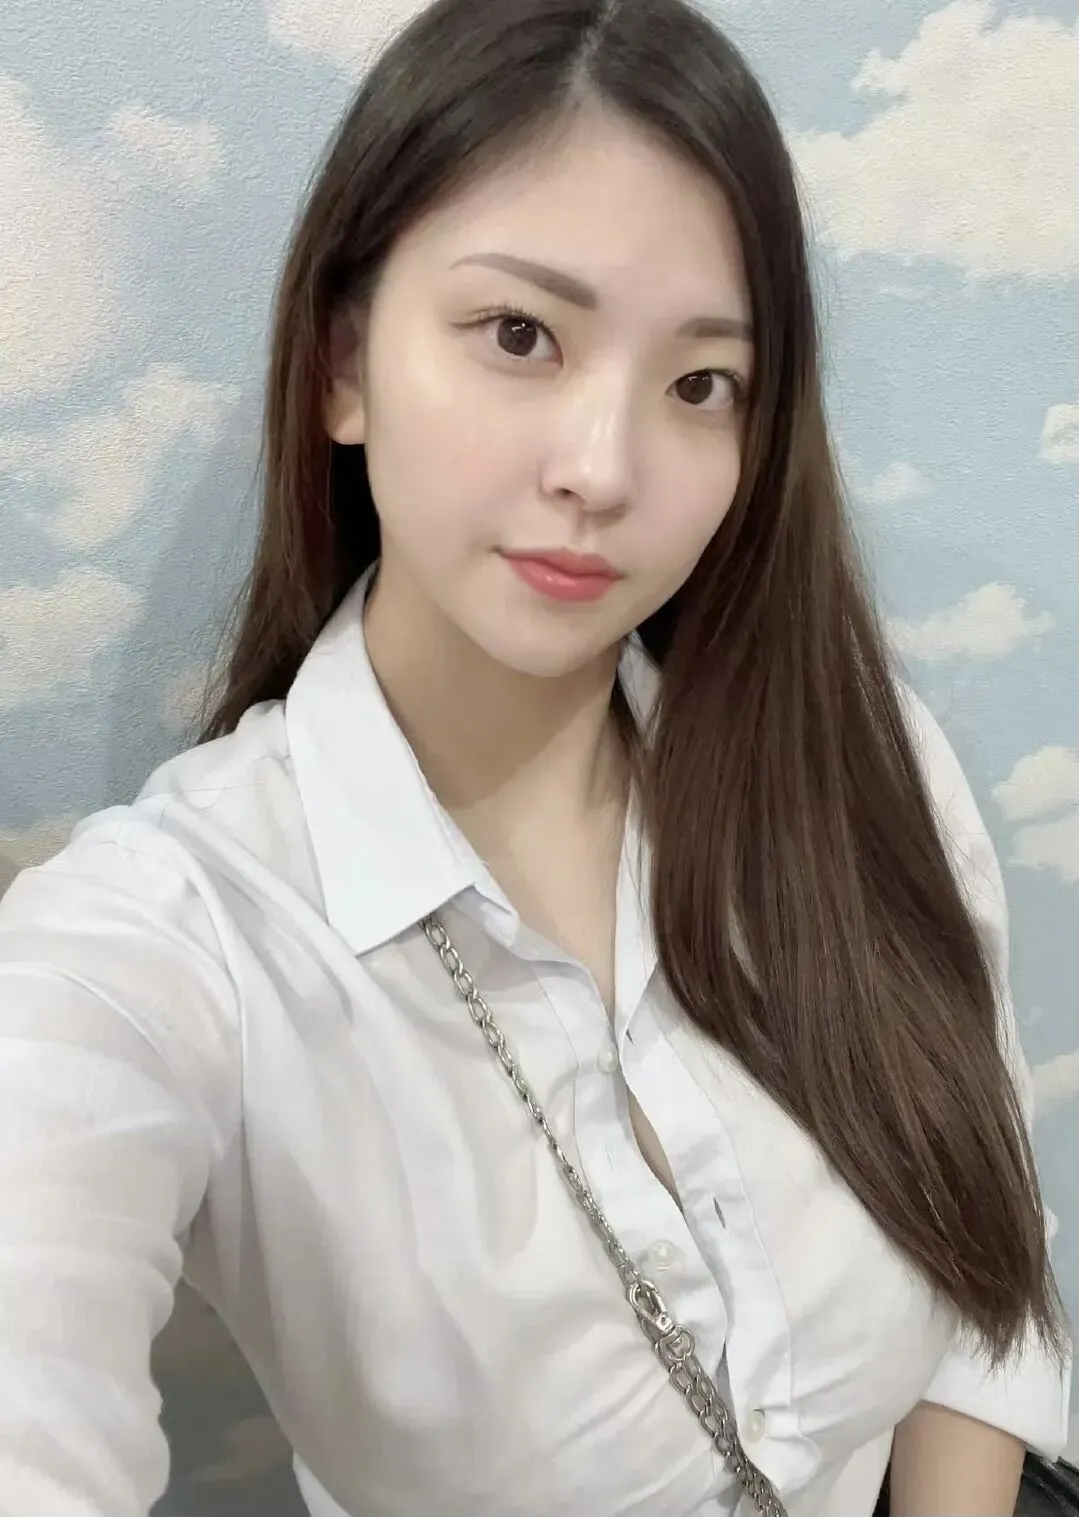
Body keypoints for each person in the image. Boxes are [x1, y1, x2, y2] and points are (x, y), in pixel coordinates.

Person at [0, 0, 1071, 1514]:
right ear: (342, 365)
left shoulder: (853, 756)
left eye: (700, 384)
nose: (604, 468)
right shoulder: (174, 943)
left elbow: (983, 1253)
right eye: (519, 335)